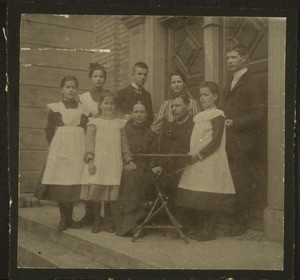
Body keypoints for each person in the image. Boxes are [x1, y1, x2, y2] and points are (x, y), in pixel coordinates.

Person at [176, 81, 235, 241]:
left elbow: (215, 141)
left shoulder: (218, 115)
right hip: (196, 160)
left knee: (209, 195)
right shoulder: (199, 117)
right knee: (198, 196)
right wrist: (191, 153)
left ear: (215, 96)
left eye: (206, 95)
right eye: (200, 95)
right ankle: (199, 227)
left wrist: (199, 155)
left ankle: (210, 230)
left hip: (210, 159)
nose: (202, 98)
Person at [219, 43, 265, 236]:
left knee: (242, 182)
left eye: (233, 57)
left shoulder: (253, 82)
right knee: (230, 180)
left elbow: (258, 114)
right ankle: (231, 220)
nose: (229, 61)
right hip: (228, 140)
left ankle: (241, 223)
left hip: (243, 142)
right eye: (228, 58)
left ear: (244, 58)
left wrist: (235, 122)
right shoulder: (229, 81)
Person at [35, 76, 89, 231]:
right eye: (67, 87)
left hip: (78, 148)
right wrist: (55, 146)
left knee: (72, 182)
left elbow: (86, 129)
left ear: (77, 89)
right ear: (62, 89)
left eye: (73, 87)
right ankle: (63, 219)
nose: (71, 90)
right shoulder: (55, 107)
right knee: (61, 182)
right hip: (60, 150)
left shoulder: (83, 108)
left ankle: (70, 218)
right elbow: (49, 130)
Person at [80, 91, 127, 233]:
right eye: (106, 103)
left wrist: (128, 158)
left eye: (112, 103)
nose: (109, 106)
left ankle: (108, 221)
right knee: (96, 194)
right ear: (100, 105)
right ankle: (97, 221)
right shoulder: (94, 123)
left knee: (110, 196)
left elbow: (124, 144)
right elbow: (89, 143)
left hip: (113, 161)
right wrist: (90, 160)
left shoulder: (119, 123)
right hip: (98, 161)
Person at [116, 101, 162, 237]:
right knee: (132, 178)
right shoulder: (125, 130)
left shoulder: (151, 132)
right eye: (136, 112)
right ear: (131, 114)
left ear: (147, 114)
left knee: (144, 179)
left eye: (142, 112)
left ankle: (139, 222)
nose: (139, 115)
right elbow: (121, 148)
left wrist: (156, 165)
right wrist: (126, 162)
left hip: (146, 167)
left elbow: (156, 152)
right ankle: (127, 225)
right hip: (129, 164)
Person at [159, 94, 195, 236]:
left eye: (178, 105)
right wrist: (161, 165)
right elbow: (163, 150)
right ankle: (170, 223)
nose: (174, 109)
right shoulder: (169, 126)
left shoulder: (193, 125)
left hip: (188, 166)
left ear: (187, 106)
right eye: (172, 106)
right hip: (170, 167)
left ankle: (184, 224)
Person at [78, 62, 107, 226]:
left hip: (103, 139)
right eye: (95, 76)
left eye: (101, 76)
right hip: (87, 137)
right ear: (90, 78)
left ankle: (99, 216)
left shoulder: (108, 96)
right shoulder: (83, 98)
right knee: (89, 175)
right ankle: (89, 214)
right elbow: (81, 121)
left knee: (100, 174)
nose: (98, 79)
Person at [151, 69, 200, 134]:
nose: (176, 85)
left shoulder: (192, 103)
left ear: (184, 83)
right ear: (170, 85)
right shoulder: (166, 104)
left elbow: (199, 123)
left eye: (179, 82)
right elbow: (157, 125)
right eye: (173, 82)